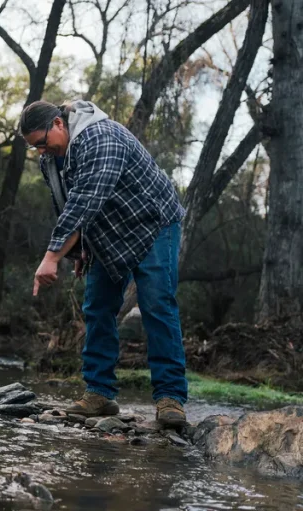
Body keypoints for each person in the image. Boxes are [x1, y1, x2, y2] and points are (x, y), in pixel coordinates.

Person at [20, 99, 189, 428]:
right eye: (34, 147)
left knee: (157, 305)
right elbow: (67, 204)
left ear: (59, 124)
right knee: (97, 306)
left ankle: (170, 398)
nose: (41, 151)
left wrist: (51, 257)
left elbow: (86, 201)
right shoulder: (50, 160)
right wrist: (79, 249)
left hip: (153, 224)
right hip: (108, 231)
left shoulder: (101, 137)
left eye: (42, 142)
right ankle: (99, 394)